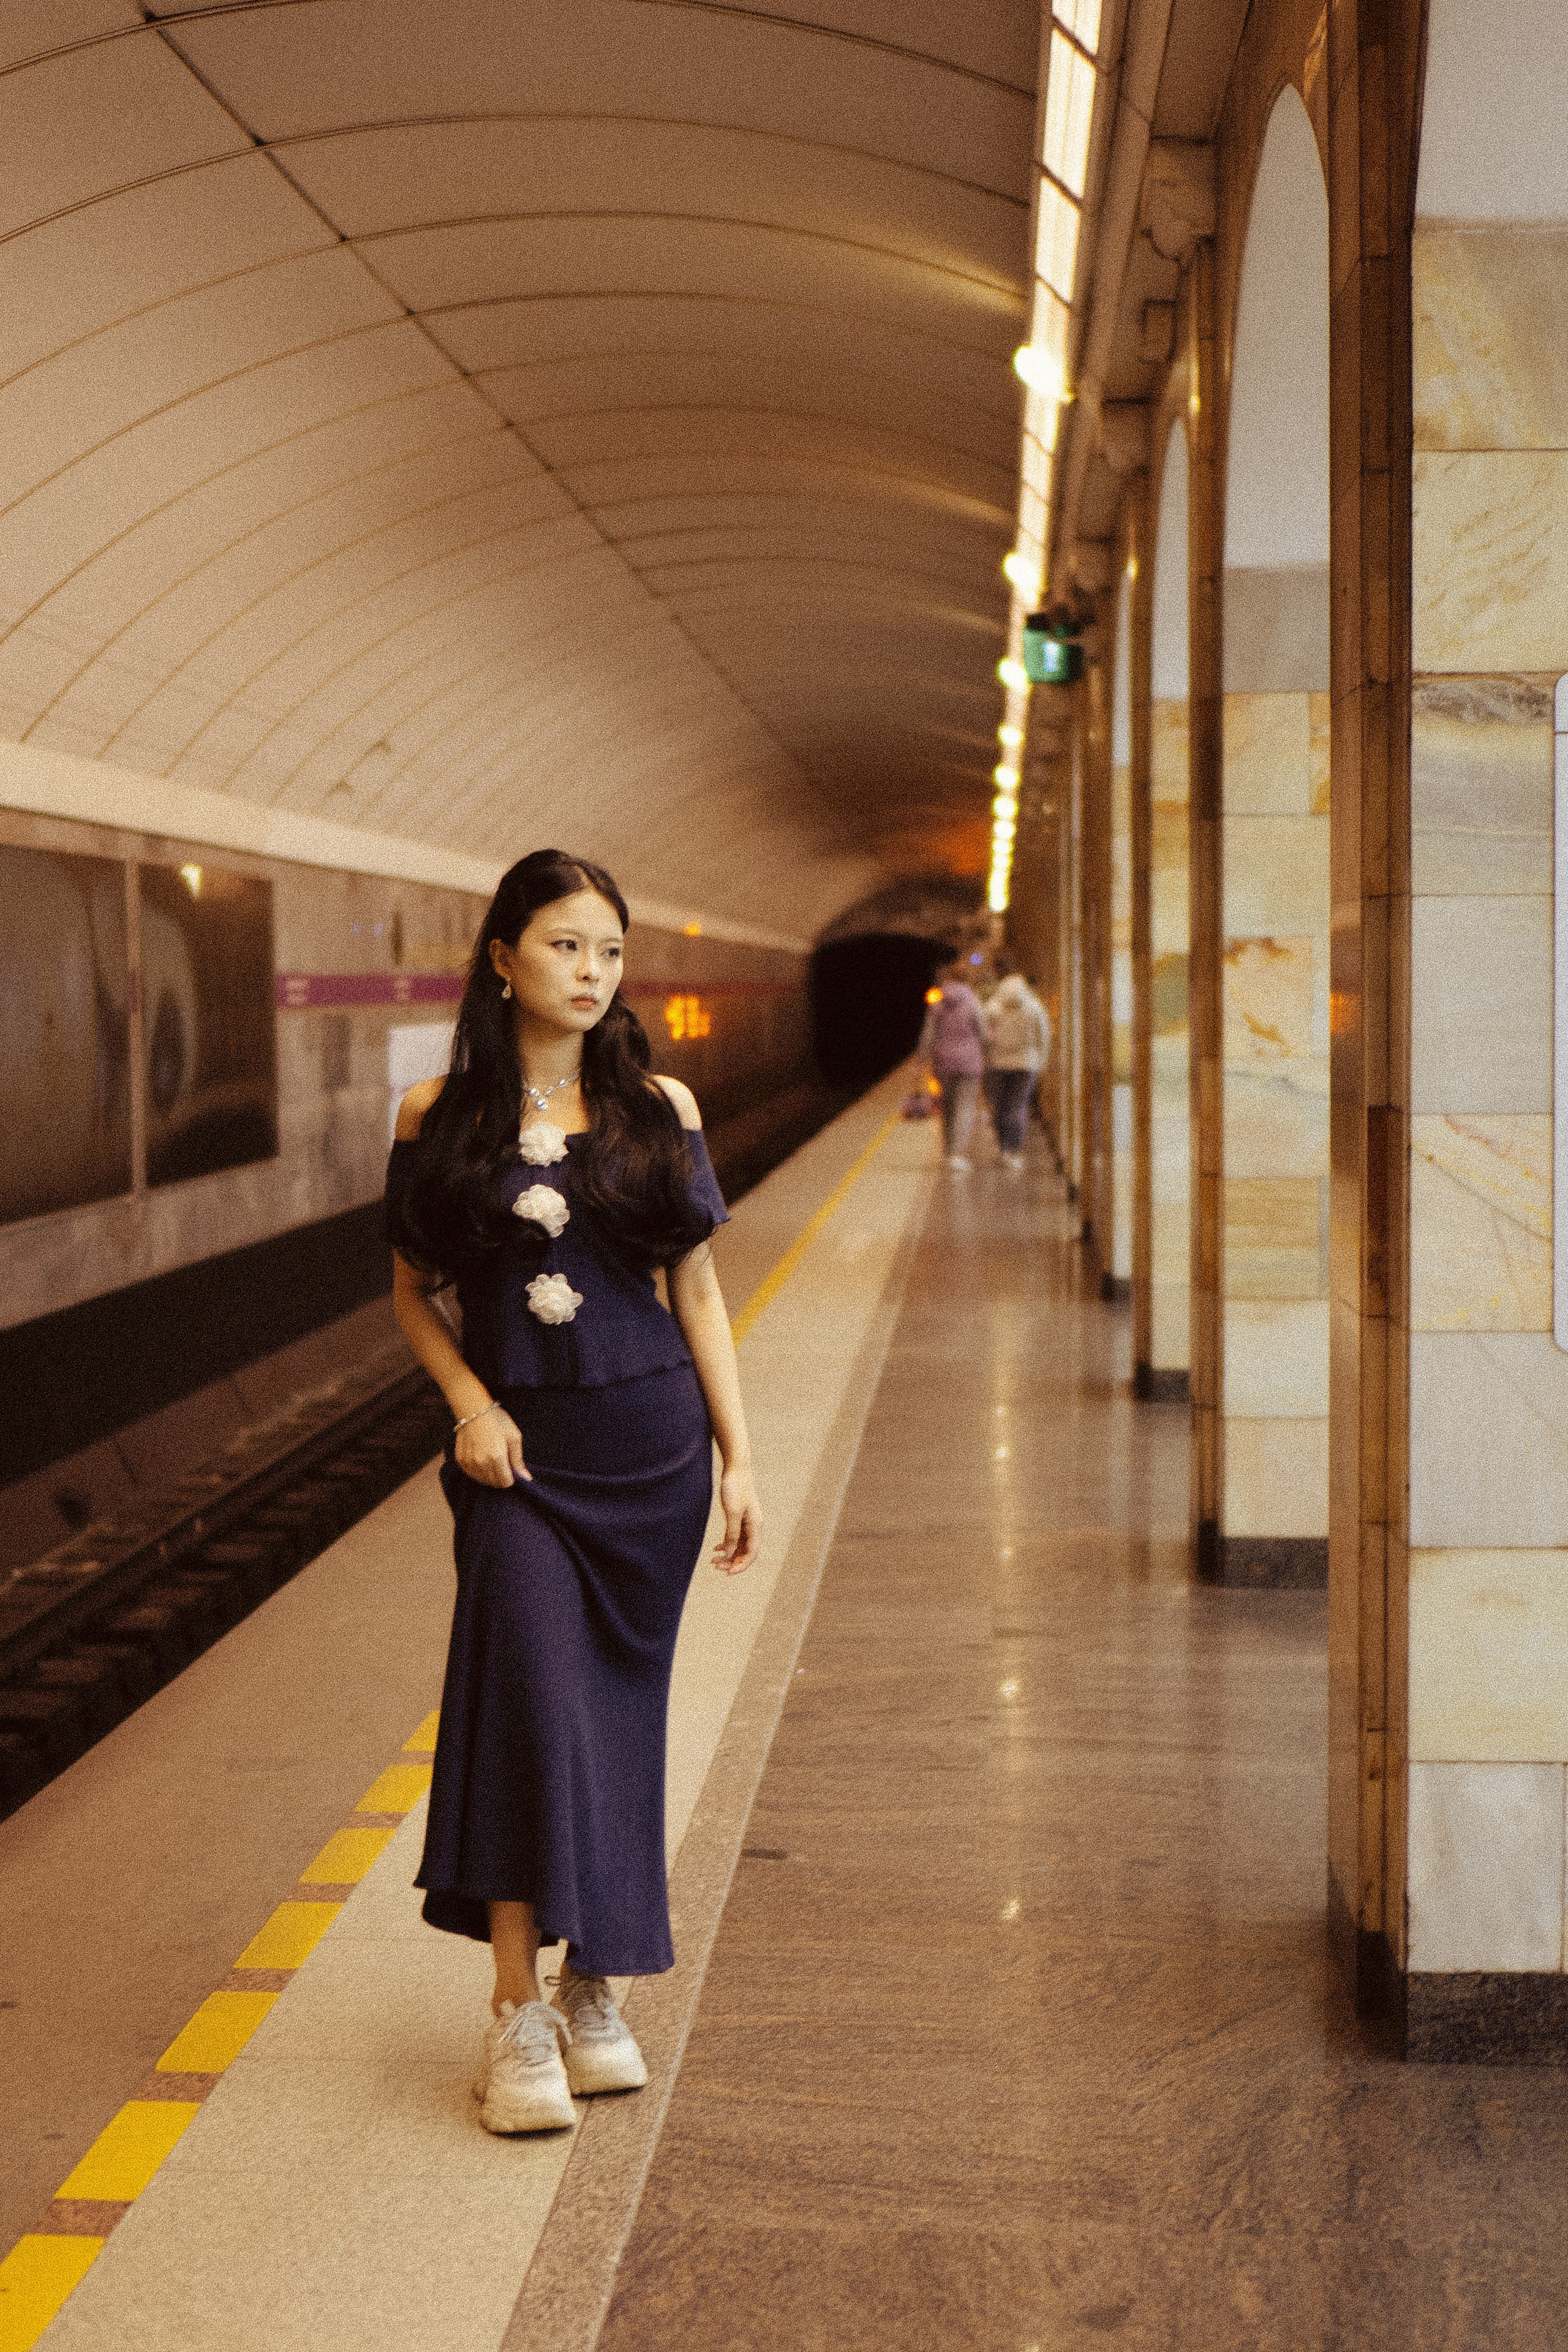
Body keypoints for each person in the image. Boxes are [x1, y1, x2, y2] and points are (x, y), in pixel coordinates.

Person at [385, 850, 760, 2136]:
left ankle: (594, 1986)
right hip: (519, 1464)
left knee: (613, 1724)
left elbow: (696, 1292)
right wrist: (471, 1407)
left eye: (607, 949)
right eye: (563, 946)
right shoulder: (437, 1113)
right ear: (501, 958)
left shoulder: (663, 1106)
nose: (590, 972)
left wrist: (738, 1454)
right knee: (529, 1710)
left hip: (648, 1450)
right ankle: (515, 2016)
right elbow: (411, 1295)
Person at [917, 961, 988, 1169]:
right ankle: (957, 1155)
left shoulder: (938, 1003)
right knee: (965, 1107)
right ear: (967, 980)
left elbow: (928, 1034)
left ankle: (948, 1152)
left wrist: (921, 1060)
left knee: (946, 1106)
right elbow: (983, 1032)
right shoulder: (973, 1001)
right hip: (970, 1063)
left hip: (943, 1062)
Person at [984, 972, 1052, 1170]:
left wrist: (987, 1058)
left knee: (1000, 1106)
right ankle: (1014, 1151)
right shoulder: (1034, 1007)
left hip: (998, 1064)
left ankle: (1004, 1148)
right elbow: (1044, 1035)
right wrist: (1042, 1060)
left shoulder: (993, 1007)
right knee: (1019, 1106)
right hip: (1026, 1064)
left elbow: (985, 1036)